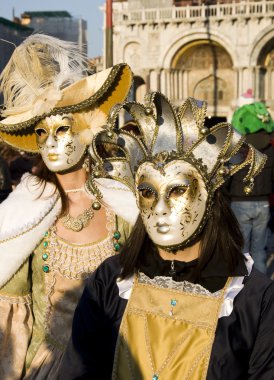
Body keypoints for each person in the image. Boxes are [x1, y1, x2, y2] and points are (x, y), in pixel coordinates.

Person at [59, 93, 274, 379]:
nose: (160, 209)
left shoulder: (251, 297)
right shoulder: (110, 281)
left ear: (209, 196)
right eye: (148, 193)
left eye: (177, 190)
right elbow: (79, 370)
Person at [0, 34, 137, 379]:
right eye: (42, 134)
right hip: (48, 368)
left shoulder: (121, 204)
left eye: (62, 129)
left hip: (114, 364)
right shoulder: (27, 210)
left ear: (86, 130)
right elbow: (12, 319)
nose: (52, 142)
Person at [228, 101, 274, 274]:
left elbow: (226, 179)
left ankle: (243, 287)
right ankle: (263, 289)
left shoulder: (238, 151)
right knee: (259, 250)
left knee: (242, 250)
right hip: (263, 204)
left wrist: (229, 196)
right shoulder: (270, 151)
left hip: (239, 203)